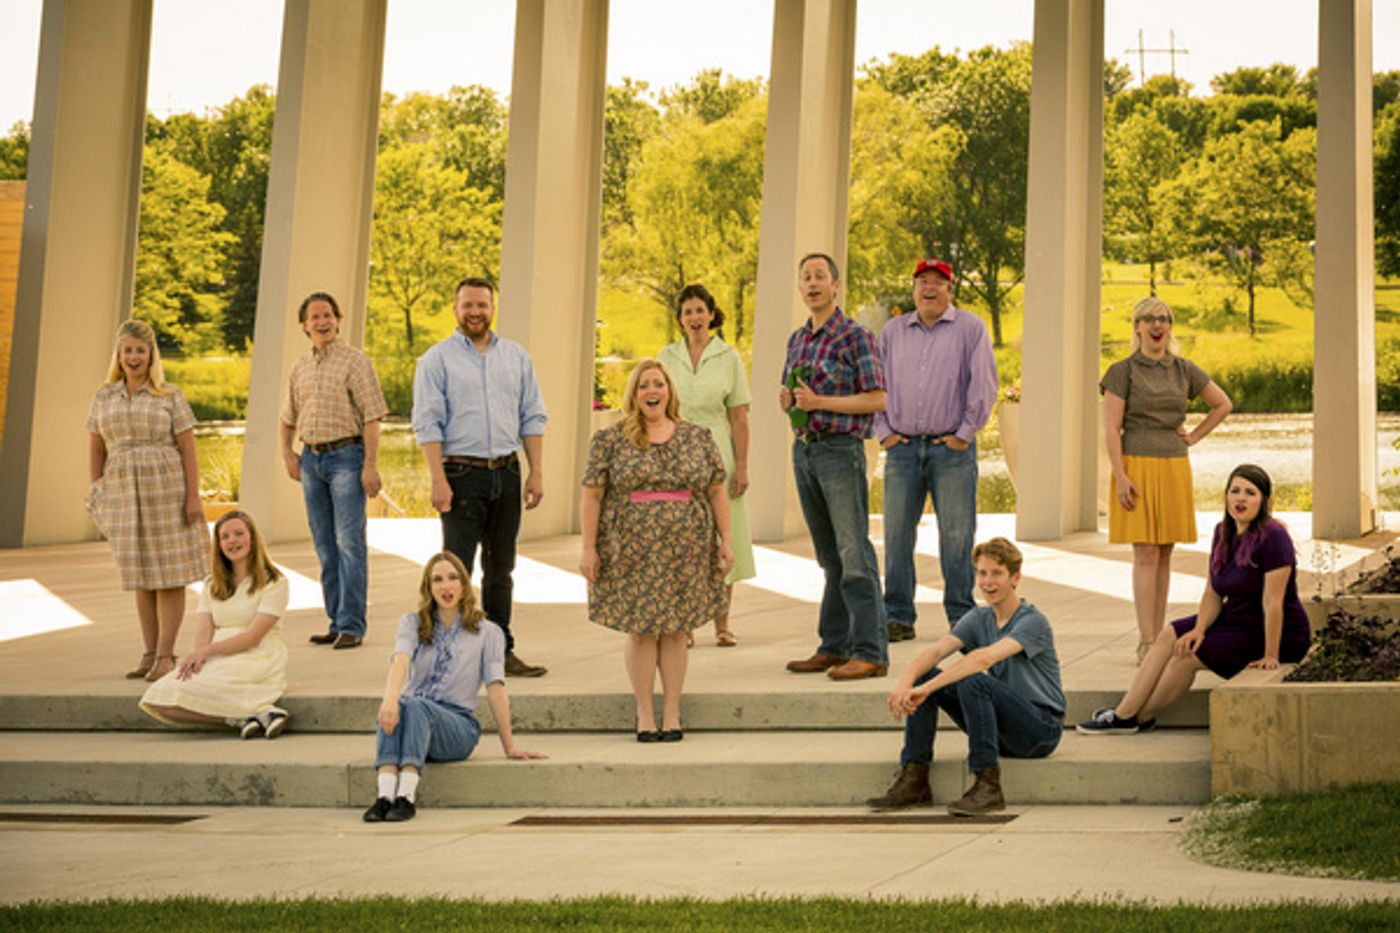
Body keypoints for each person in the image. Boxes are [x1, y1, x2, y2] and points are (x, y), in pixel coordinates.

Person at [1078, 464, 1312, 734]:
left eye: (1250, 493)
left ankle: (1137, 717)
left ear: (1264, 501)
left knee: (1186, 657)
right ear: (1226, 496)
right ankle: (1124, 713)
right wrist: (1199, 629)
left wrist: (1271, 654)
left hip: (1274, 633)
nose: (1241, 498)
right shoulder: (1222, 532)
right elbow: (1212, 591)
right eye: (1235, 491)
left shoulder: (1274, 537)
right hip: (1236, 619)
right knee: (1171, 634)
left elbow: (1274, 602)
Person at [580, 360, 732, 742]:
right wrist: (588, 547)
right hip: (632, 549)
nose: (652, 391)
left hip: (688, 547)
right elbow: (592, 495)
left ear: (669, 391)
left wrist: (726, 539)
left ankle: (673, 713)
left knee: (678, 630)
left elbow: (716, 490)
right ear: (635, 394)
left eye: (659, 384)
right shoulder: (611, 440)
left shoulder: (697, 437)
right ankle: (645, 713)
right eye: (645, 385)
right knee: (642, 631)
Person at [867, 537, 1064, 816]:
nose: (987, 582)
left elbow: (982, 659)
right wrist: (906, 683)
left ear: (1015, 578)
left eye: (997, 573)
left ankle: (988, 785)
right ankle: (915, 778)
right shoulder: (979, 617)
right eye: (982, 573)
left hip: (1040, 729)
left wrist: (927, 689)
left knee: (974, 681)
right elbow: (935, 652)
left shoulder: (1032, 621)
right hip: (1003, 726)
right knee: (927, 677)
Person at [412, 276, 549, 677]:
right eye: (468, 305)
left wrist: (535, 471)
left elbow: (533, 415)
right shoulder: (435, 360)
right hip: (460, 474)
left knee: (501, 567)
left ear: (493, 308)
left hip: (506, 472)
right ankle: (452, 654)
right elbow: (428, 424)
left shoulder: (516, 357)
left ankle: (500, 650)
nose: (475, 312)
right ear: (455, 309)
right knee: (455, 571)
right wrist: (438, 479)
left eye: (482, 305)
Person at [364, 552, 546, 823]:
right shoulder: (412, 623)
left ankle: (406, 796)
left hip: (457, 728)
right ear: (428, 587)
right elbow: (400, 661)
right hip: (414, 716)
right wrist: (388, 700)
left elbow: (496, 689)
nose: (445, 586)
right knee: (401, 702)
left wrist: (509, 746)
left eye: (453, 578)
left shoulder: (488, 632)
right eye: (437, 580)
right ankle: (384, 797)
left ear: (464, 583)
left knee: (412, 704)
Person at [1102, 296, 1232, 664]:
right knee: (1144, 551)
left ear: (1169, 327)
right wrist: (1120, 475)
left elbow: (1222, 404)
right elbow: (1111, 428)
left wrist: (1194, 436)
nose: (1157, 325)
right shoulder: (1121, 371)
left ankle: (1158, 636)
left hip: (1174, 464)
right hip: (1136, 465)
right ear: (1137, 327)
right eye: (1149, 319)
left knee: (1164, 553)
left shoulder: (1183, 370)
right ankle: (1145, 640)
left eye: (1164, 319)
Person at [875, 258, 997, 643]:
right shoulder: (892, 332)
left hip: (952, 450)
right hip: (902, 449)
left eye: (937, 282)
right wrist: (884, 432)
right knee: (895, 535)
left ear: (950, 289)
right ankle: (897, 616)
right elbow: (874, 383)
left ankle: (961, 616)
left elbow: (984, 384)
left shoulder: (970, 328)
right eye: (922, 281)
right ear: (913, 289)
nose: (929, 288)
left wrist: (964, 433)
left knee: (957, 537)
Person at [779, 253, 888, 680]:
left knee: (854, 552)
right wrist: (789, 402)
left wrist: (821, 402)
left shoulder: (855, 336)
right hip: (805, 450)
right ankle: (833, 645)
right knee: (829, 557)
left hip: (841, 452)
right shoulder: (797, 340)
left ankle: (871, 651)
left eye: (819, 276)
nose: (811, 283)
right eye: (805, 277)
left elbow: (878, 398)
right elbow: (795, 391)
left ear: (836, 285)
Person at [87, 319, 208, 683]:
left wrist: (193, 497)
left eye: (140, 350)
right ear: (119, 355)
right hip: (123, 490)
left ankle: (165, 656)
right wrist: (97, 490)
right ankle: (148, 652)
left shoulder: (169, 394)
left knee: (169, 575)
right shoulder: (104, 396)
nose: (134, 357)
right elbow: (95, 445)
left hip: (165, 487)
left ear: (151, 355)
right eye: (127, 350)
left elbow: (188, 448)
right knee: (140, 576)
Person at [279, 291, 388, 651]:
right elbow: (286, 418)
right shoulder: (299, 367)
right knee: (325, 546)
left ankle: (353, 624)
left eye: (328, 315)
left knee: (349, 543)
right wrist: (288, 455)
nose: (322, 322)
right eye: (315, 317)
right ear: (304, 326)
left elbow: (372, 417)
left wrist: (370, 466)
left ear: (338, 319)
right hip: (311, 462)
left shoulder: (355, 362)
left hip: (347, 458)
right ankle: (335, 621)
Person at [657, 283, 755, 647]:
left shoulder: (728, 357)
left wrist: (742, 466)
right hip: (675, 454)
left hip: (718, 455)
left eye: (700, 310)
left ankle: (722, 625)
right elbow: (654, 407)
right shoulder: (666, 356)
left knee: (723, 538)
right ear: (680, 320)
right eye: (687, 312)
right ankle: (683, 625)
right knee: (681, 541)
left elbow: (739, 416)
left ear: (711, 314)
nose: (695, 318)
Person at [140, 510, 291, 738]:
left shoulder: (275, 582)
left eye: (239, 534)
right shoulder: (212, 584)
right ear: (219, 545)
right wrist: (197, 656)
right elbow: (203, 630)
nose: (233, 541)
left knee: (204, 686)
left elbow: (252, 637)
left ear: (253, 538)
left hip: (256, 653)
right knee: (157, 698)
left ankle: (257, 712)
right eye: (225, 537)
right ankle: (243, 718)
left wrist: (206, 651)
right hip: (214, 653)